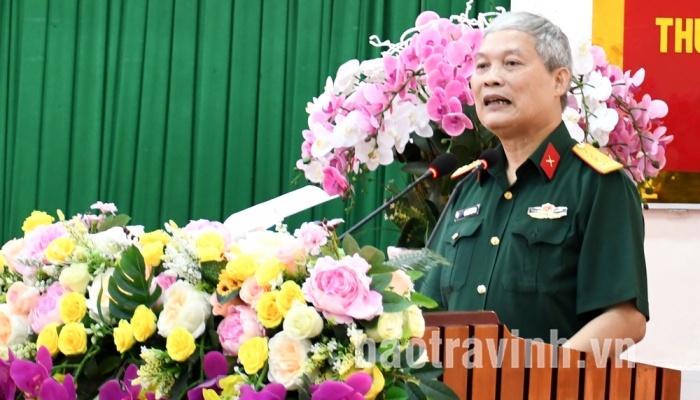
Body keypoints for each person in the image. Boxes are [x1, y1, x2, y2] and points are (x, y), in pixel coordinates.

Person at [419, 11, 648, 355]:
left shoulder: (596, 185)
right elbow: (426, 311)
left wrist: (543, 379)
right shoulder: (468, 188)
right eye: (482, 67)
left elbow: (624, 319)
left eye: (511, 63)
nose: (491, 79)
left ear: (559, 81)